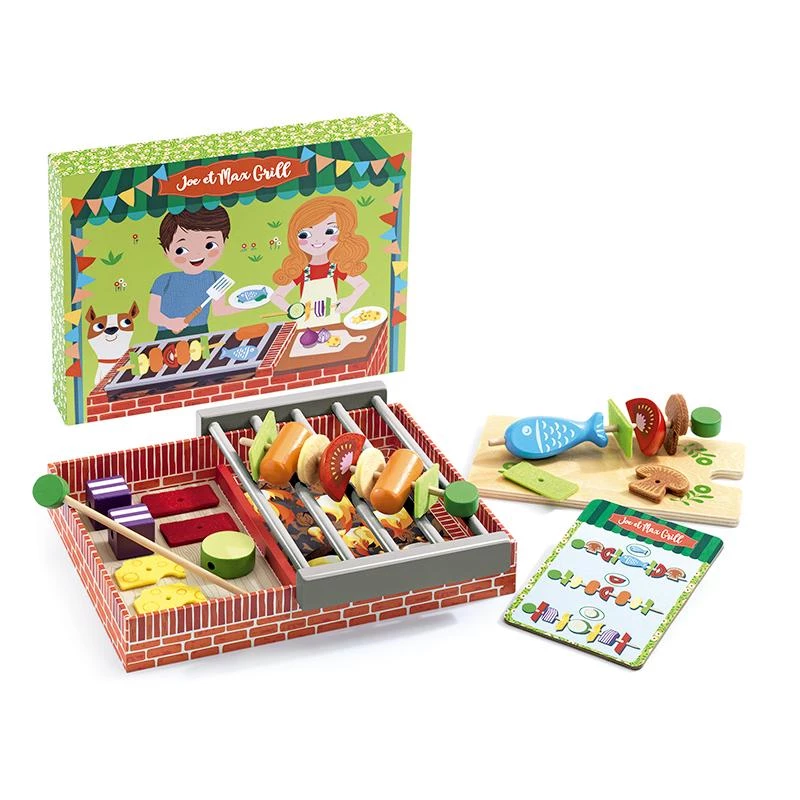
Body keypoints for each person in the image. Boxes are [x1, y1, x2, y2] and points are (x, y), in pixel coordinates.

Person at [269, 197, 370, 329]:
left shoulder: (336, 267)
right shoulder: (300, 270)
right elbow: (276, 296)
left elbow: (363, 284)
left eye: (329, 231)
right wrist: (292, 310)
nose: (317, 240)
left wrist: (351, 300)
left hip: (331, 322)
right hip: (306, 326)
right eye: (305, 234)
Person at [149, 208, 240, 340]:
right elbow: (153, 314)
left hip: (201, 333)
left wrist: (248, 305)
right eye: (181, 250)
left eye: (210, 245)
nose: (197, 254)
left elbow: (219, 310)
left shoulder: (217, 277)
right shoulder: (164, 280)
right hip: (166, 335)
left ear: (224, 243)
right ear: (166, 252)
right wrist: (169, 322)